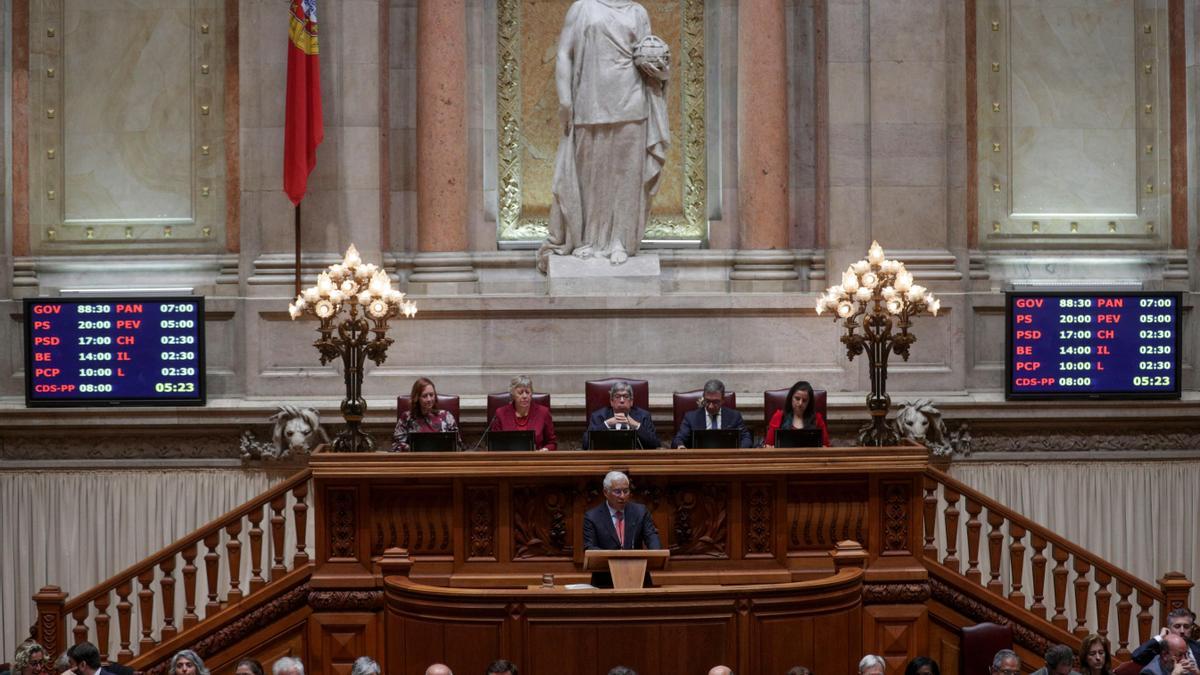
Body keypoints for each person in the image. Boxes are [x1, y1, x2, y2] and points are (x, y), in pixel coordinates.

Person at [535, 0, 670, 270]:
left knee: (626, 174)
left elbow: (648, 54)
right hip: (590, 100)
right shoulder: (582, 8)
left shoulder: (637, 12)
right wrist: (565, 100)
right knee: (589, 174)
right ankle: (585, 240)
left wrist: (661, 67)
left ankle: (619, 240)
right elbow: (564, 53)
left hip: (631, 101)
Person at [582, 470, 661, 587]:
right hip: (605, 580)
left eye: (626, 491)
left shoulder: (640, 512)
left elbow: (651, 536)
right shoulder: (592, 517)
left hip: (638, 577)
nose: (623, 496)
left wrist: (656, 554)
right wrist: (616, 557)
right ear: (605, 492)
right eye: (617, 492)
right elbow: (590, 547)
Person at [672, 379, 752, 448]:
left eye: (715, 402)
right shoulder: (691, 417)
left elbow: (746, 438)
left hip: (728, 460)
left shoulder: (734, 416)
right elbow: (678, 439)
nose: (710, 406)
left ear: (723, 400)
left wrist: (739, 451)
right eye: (707, 401)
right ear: (703, 398)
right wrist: (680, 446)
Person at [583, 380, 658, 449]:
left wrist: (636, 425)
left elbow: (655, 444)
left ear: (631, 401)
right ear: (611, 401)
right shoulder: (598, 416)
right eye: (617, 396)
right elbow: (586, 444)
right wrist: (606, 424)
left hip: (635, 459)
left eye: (626, 396)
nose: (622, 400)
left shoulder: (644, 416)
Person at [392, 377, 461, 451]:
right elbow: (396, 445)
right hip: (415, 459)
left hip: (441, 459)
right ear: (417, 398)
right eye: (425, 396)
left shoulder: (447, 416)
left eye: (431, 395)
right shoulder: (406, 417)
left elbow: (458, 445)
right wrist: (414, 449)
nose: (429, 399)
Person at [492, 375, 557, 451]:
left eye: (527, 392)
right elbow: (494, 444)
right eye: (520, 393)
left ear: (531, 393)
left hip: (535, 460)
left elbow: (552, 443)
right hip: (509, 460)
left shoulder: (543, 412)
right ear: (513, 394)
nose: (525, 396)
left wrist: (545, 449)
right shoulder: (501, 413)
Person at [764, 380, 829, 447]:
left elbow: (826, 446)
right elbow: (768, 445)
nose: (800, 403)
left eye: (804, 400)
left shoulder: (817, 418)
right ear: (791, 398)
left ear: (809, 403)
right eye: (797, 398)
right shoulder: (779, 416)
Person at [1134, 608, 1200, 665]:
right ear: (1169, 628)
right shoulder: (1160, 649)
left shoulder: (1197, 647)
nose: (1182, 631)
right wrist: (1160, 637)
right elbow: (1136, 656)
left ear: (1191, 629)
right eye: (1177, 626)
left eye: (1186, 627)